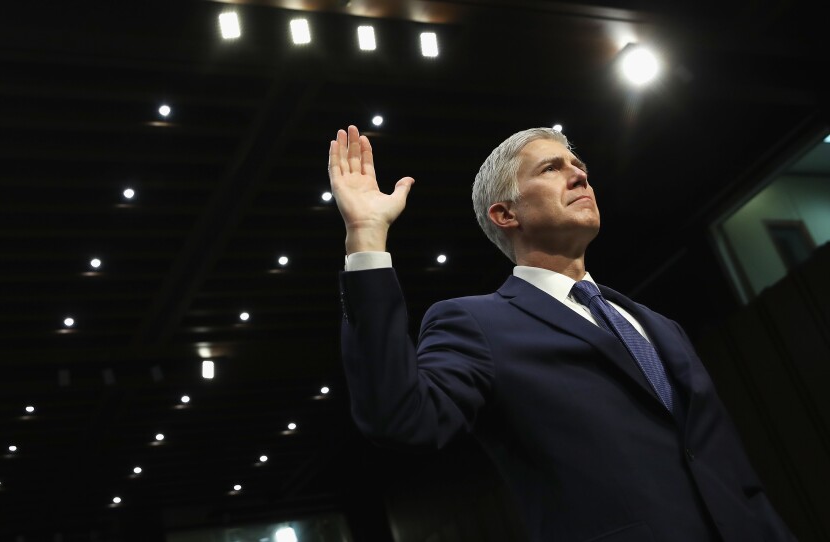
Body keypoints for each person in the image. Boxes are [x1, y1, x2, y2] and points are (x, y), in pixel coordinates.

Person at [328, 125, 797, 541]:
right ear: (505, 214)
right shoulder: (476, 324)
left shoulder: (659, 325)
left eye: (579, 166)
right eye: (552, 168)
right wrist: (367, 236)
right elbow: (400, 418)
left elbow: (729, 471)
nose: (579, 176)